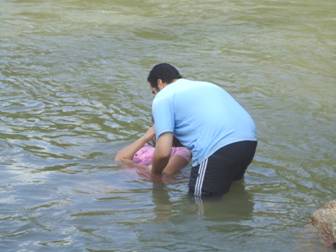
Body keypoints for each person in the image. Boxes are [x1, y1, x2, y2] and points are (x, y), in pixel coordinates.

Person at [147, 63, 257, 197]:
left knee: (199, 205)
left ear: (160, 83)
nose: (154, 96)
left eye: (153, 92)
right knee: (234, 194)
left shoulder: (163, 96)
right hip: (249, 141)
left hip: (217, 147)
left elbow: (163, 152)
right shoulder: (207, 85)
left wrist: (155, 176)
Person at [115, 126, 191, 176]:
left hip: (136, 184)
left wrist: (128, 163)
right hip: (122, 178)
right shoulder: (144, 146)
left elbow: (160, 174)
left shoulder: (182, 151)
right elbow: (118, 159)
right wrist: (144, 138)